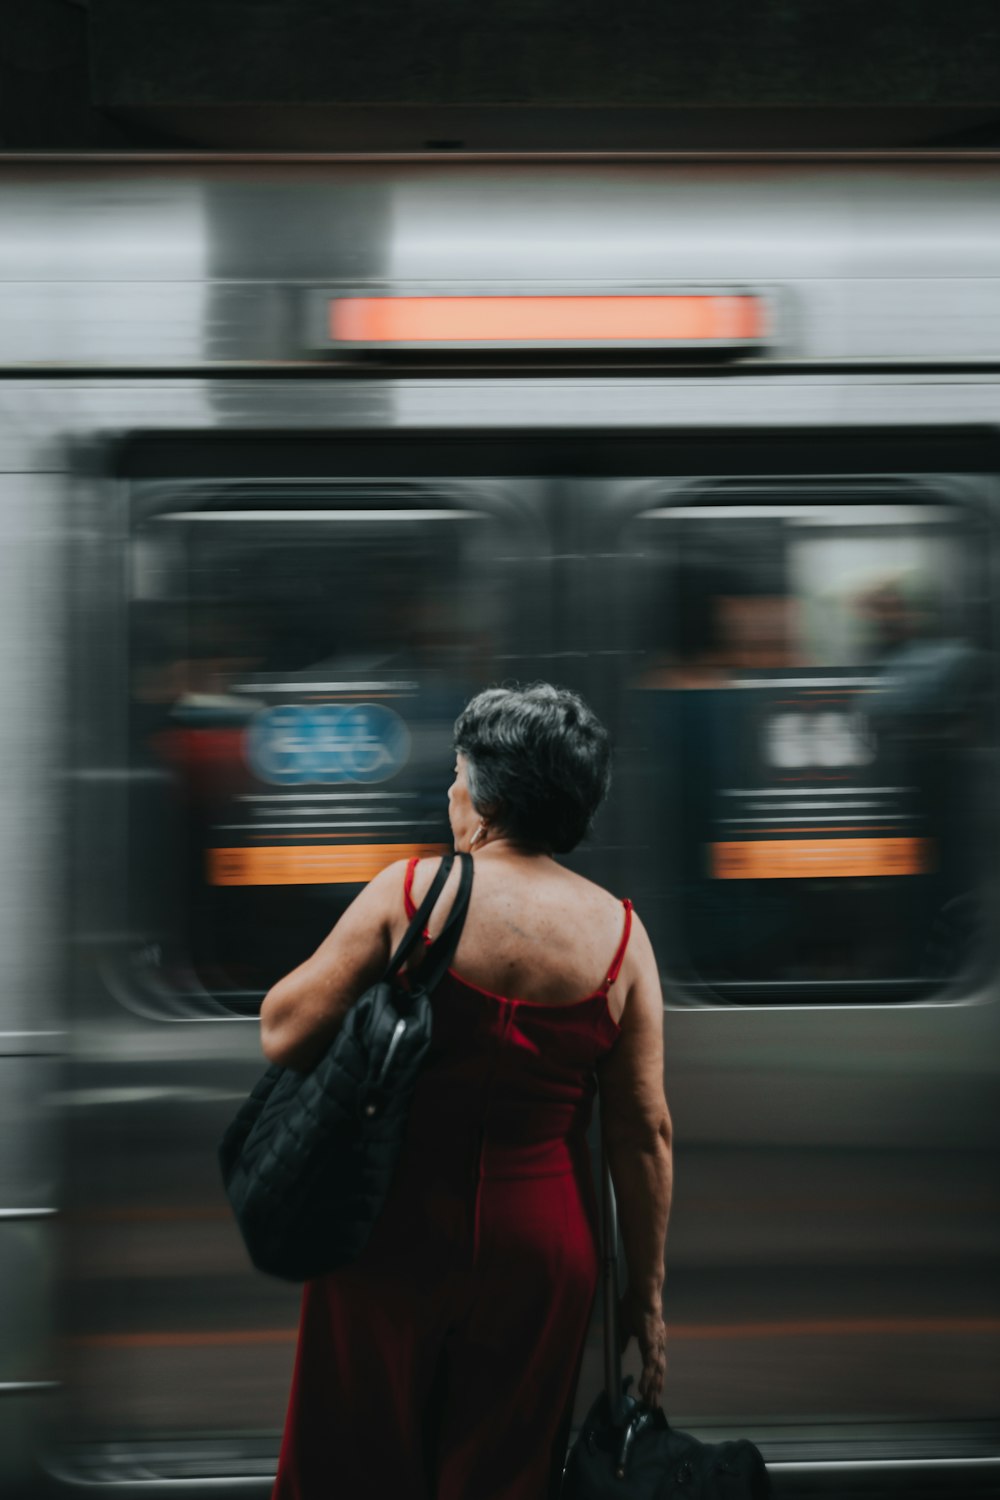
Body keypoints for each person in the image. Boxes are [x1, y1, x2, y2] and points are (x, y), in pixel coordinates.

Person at [260, 683, 673, 1500]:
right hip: (543, 1245)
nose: (450, 791)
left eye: (456, 774)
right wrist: (644, 1298)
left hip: (389, 1228)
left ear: (482, 795)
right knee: (502, 1475)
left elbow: (284, 1029)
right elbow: (644, 1132)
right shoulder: (623, 938)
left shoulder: (413, 895)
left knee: (350, 1466)